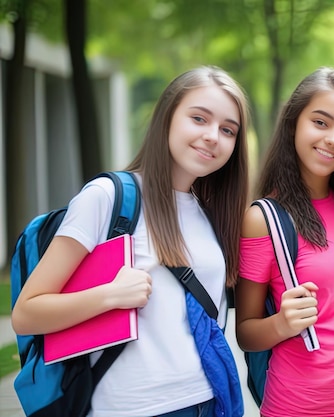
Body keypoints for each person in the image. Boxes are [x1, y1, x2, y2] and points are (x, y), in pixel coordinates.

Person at [11, 65, 250, 417]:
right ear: (167, 117)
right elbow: (26, 314)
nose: (213, 135)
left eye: (228, 129)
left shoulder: (209, 212)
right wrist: (109, 295)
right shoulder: (109, 197)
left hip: (205, 399)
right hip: (131, 407)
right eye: (199, 119)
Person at [235, 67, 334, 417]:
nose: (333, 140)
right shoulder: (264, 220)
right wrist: (281, 323)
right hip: (300, 409)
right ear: (294, 122)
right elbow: (246, 333)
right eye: (321, 123)